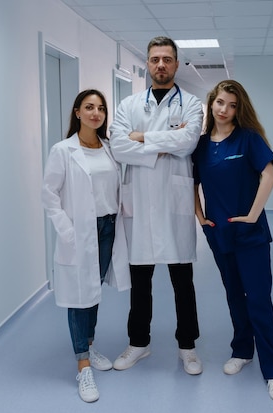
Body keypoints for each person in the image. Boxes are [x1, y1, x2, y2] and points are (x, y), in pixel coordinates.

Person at [109, 36, 204, 375]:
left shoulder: (192, 104)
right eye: (154, 59)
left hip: (174, 201)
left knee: (183, 281)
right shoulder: (128, 105)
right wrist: (164, 143)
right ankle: (139, 343)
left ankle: (187, 347)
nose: (160, 65)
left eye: (167, 59)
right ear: (147, 64)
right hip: (140, 202)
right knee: (141, 282)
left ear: (177, 64)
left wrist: (142, 137)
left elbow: (189, 140)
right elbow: (119, 147)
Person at [192, 80, 273, 401]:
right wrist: (199, 215)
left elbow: (269, 174)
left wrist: (252, 214)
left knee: (258, 299)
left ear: (239, 109)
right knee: (234, 295)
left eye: (232, 105)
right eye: (220, 102)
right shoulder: (202, 144)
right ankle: (242, 350)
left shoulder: (248, 139)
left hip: (250, 235)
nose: (225, 110)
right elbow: (191, 180)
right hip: (219, 233)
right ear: (212, 103)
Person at [41, 89, 131, 403]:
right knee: (79, 296)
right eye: (89, 107)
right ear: (77, 112)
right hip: (81, 229)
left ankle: (89, 346)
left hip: (107, 228)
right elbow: (49, 195)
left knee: (92, 290)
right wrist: (67, 230)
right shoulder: (63, 150)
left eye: (101, 108)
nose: (96, 113)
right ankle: (82, 366)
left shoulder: (108, 148)